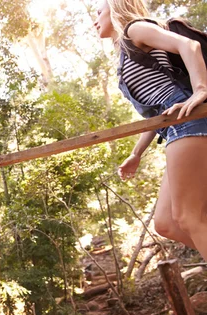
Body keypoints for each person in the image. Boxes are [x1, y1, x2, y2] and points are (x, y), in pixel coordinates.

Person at [95, 3, 207, 266]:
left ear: (115, 8)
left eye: (99, 12)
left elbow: (190, 47)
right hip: (174, 127)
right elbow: (156, 113)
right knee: (166, 223)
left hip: (189, 123)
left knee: (189, 217)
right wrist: (136, 154)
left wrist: (201, 90)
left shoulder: (136, 30)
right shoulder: (125, 51)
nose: (94, 20)